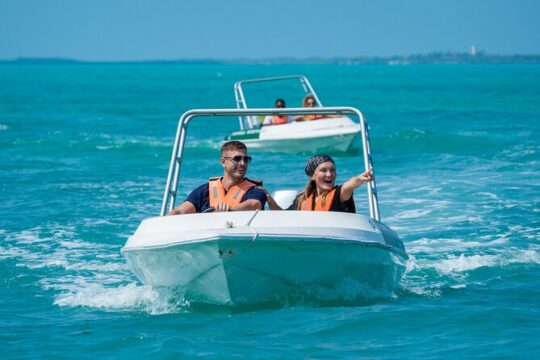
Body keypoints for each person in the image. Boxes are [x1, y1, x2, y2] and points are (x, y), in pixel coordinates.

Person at [167, 141, 266, 215]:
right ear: (223, 162)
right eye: (237, 159)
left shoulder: (256, 191)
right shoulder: (204, 191)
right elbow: (179, 211)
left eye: (246, 159)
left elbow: (255, 204)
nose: (242, 163)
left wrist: (229, 210)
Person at [265, 154, 373, 212]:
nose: (329, 174)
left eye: (332, 170)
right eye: (323, 170)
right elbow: (283, 216)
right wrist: (269, 200)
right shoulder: (301, 200)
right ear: (313, 175)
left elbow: (349, 186)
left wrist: (359, 179)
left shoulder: (339, 195)